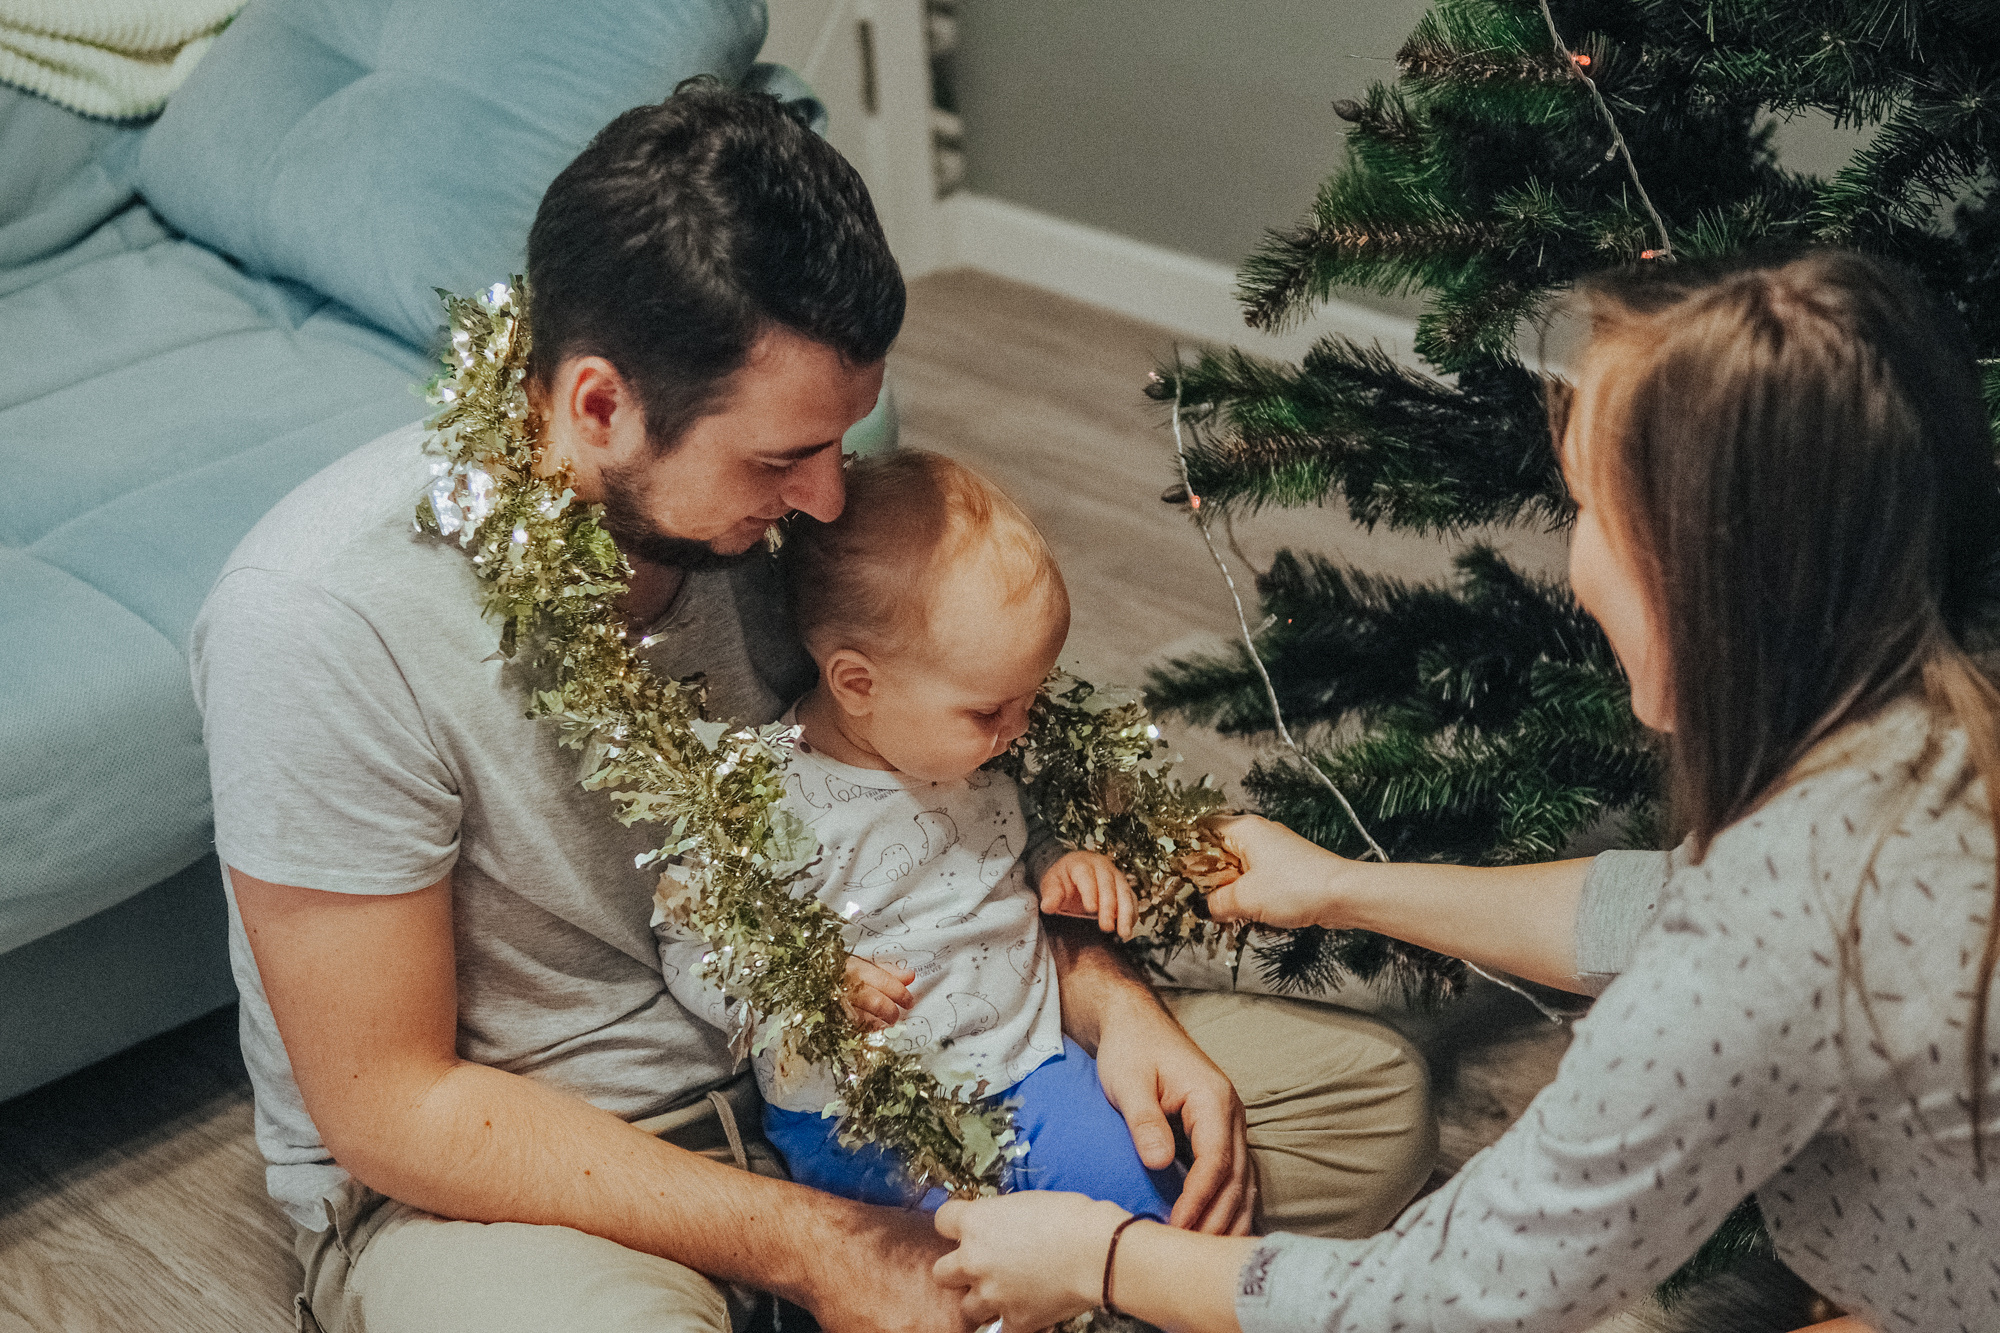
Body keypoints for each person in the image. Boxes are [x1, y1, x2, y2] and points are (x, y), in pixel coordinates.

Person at [192, 81, 1436, 1333]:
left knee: (1361, 1104)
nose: (828, 501)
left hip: (896, 1064)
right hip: (553, 1167)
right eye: (782, 458)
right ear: (598, 406)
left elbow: (946, 802)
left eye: (841, 440)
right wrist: (821, 1244)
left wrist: (1107, 1000)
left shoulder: (779, 506)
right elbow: (389, 1106)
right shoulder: (315, 621)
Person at [931, 251, 2000, 1333]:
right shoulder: (1925, 741)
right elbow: (1650, 905)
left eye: (1586, 507)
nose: (1572, 565)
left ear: (1709, 573)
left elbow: (1441, 1302)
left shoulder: (1775, 931)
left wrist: (1101, 1256)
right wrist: (1340, 887)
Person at [662, 449, 1186, 1220]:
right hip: (861, 1118)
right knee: (963, 1269)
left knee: (1155, 1198)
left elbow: (1017, 828)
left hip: (1028, 1060)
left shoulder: (968, 752)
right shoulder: (765, 793)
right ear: (858, 684)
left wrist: (1061, 865)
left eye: (1030, 701)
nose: (1017, 730)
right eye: (989, 710)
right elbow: (689, 935)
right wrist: (803, 988)